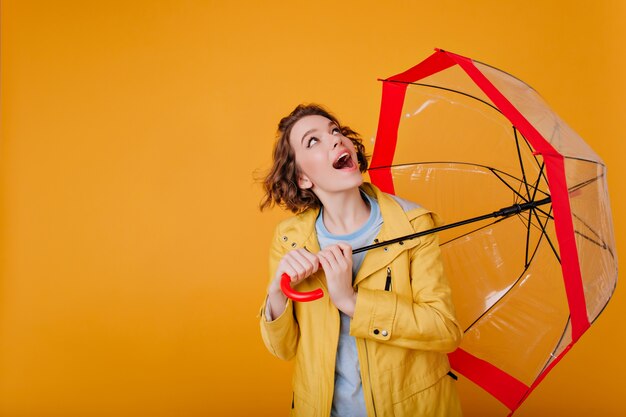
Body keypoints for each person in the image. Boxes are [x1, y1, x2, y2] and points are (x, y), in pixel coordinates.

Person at [258, 103, 463, 417]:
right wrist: (276, 293)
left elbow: (444, 329)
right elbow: (284, 349)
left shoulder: (413, 225)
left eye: (335, 131)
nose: (336, 140)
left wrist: (351, 301)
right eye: (313, 141)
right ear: (302, 179)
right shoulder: (290, 239)